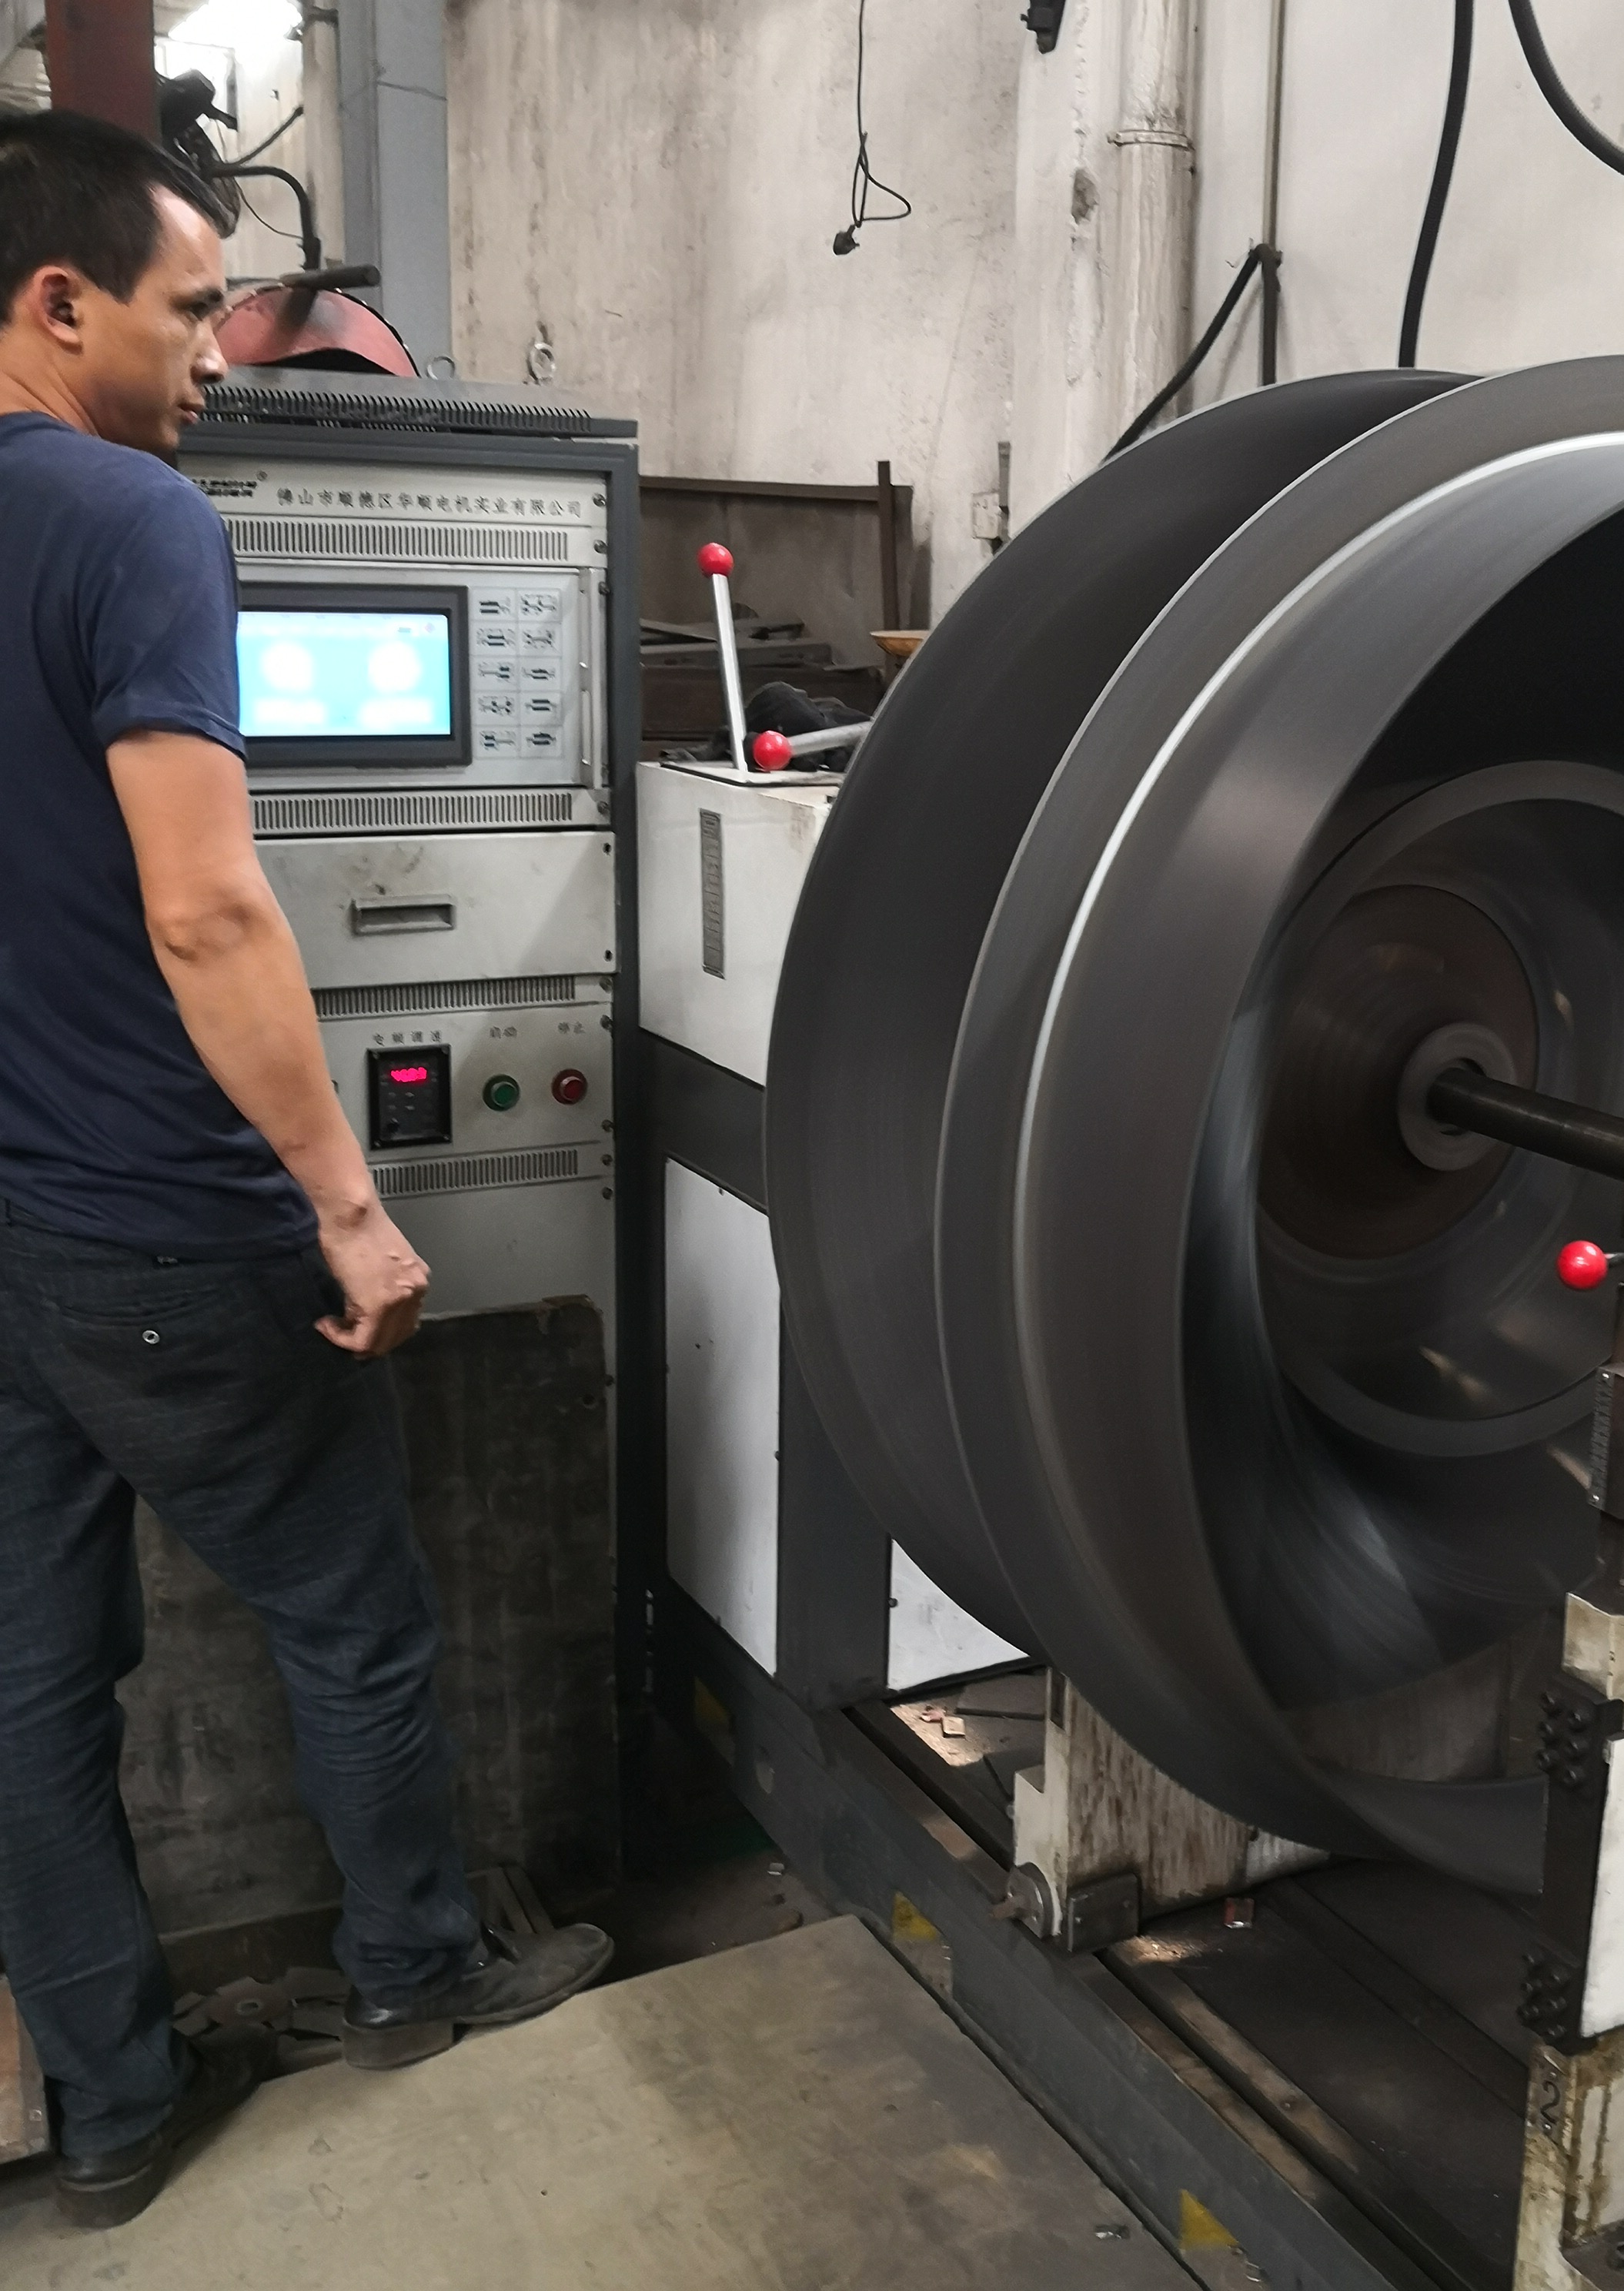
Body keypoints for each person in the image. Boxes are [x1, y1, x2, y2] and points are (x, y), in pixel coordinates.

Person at [0, 110, 612, 2232]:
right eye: (188, 314)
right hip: (166, 1222)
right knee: (354, 1623)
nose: (216, 360)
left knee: (29, 1688)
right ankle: (418, 1978)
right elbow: (211, 911)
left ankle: (111, 2112)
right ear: (56, 303)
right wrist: (350, 1202)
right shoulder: (131, 521)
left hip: (7, 1223)